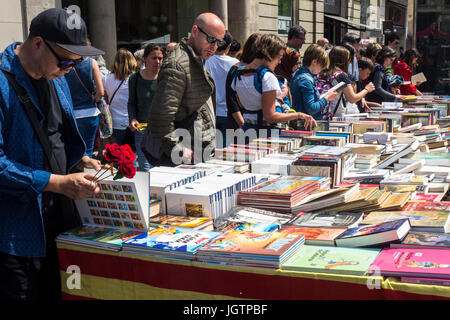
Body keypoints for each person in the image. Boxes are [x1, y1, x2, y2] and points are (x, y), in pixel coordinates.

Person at [0, 8, 103, 300]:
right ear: (37, 43)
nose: (69, 68)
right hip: (17, 233)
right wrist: (57, 182)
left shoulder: (57, 77)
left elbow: (56, 137)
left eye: (77, 61)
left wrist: (79, 159)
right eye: (65, 60)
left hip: (61, 221)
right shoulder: (2, 82)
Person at [142, 12, 226, 166]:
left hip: (195, 150)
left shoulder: (194, 58)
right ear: (195, 31)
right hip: (182, 157)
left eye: (219, 42)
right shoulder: (178, 64)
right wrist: (180, 151)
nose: (214, 47)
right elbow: (161, 118)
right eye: (211, 39)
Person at [230, 34, 316, 135]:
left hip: (247, 129)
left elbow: (240, 103)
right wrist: (299, 115)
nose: (279, 62)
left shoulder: (238, 73)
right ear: (269, 55)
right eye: (279, 57)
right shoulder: (267, 77)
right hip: (266, 132)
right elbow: (270, 116)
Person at [128, 43, 164, 171]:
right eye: (154, 58)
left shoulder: (166, 77)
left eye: (160, 58)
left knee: (161, 167)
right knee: (145, 167)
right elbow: (131, 102)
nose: (157, 61)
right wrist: (132, 119)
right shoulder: (135, 78)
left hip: (163, 129)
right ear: (145, 59)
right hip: (142, 130)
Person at [318, 46, 375, 118]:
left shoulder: (321, 73)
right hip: (334, 116)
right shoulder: (341, 76)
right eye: (349, 59)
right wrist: (367, 89)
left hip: (321, 112)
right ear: (343, 60)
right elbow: (352, 98)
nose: (350, 62)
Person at [64, 56, 104, 157]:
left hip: (70, 113)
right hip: (89, 113)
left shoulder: (63, 62)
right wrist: (94, 98)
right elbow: (100, 92)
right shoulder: (92, 63)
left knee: (71, 152)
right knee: (88, 151)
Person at [205, 31, 239, 147]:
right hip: (230, 113)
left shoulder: (206, 61)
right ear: (229, 46)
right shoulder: (236, 64)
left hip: (210, 112)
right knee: (225, 151)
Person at [290, 44, 338, 120]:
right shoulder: (306, 80)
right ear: (314, 62)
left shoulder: (299, 73)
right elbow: (311, 109)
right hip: (306, 125)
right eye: (322, 66)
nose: (321, 70)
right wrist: (327, 98)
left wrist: (321, 96)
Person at [225, 32, 261, 130]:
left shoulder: (262, 70)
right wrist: (242, 123)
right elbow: (231, 100)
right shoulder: (236, 69)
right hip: (239, 124)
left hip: (255, 124)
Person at [103, 48, 137, 146]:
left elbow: (106, 98)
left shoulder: (106, 78)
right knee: (132, 154)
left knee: (118, 154)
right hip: (133, 122)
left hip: (114, 122)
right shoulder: (135, 78)